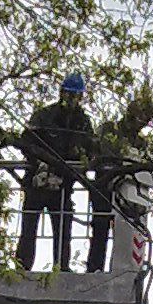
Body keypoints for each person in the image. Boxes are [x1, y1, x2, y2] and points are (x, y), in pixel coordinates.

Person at [17, 71, 94, 272]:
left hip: (63, 186)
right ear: (61, 93)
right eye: (69, 94)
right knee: (29, 227)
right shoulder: (44, 116)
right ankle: (22, 266)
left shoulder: (83, 123)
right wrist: (40, 162)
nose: (72, 99)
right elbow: (26, 142)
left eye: (76, 95)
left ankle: (62, 267)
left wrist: (76, 162)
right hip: (37, 182)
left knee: (63, 228)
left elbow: (91, 149)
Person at [86, 88, 153, 272]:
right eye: (140, 116)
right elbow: (100, 152)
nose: (141, 122)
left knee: (125, 229)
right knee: (100, 228)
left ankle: (121, 269)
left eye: (146, 119)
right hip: (104, 185)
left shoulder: (142, 143)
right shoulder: (109, 129)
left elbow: (147, 165)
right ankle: (95, 268)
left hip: (127, 191)